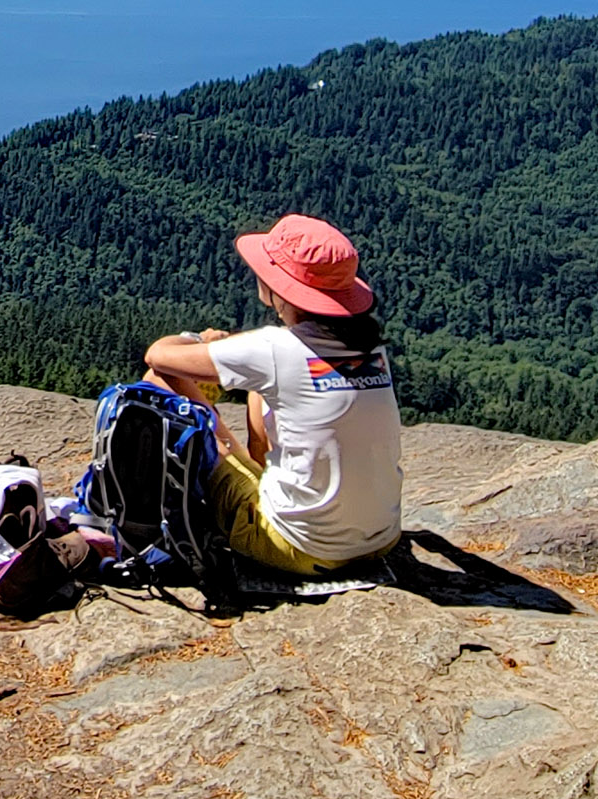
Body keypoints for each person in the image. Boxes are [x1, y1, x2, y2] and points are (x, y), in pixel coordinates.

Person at [139, 213, 401, 576]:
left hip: (295, 547)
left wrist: (201, 340)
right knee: (261, 389)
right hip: (381, 540)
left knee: (158, 380)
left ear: (279, 287)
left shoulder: (275, 348)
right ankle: (245, 461)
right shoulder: (372, 349)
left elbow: (158, 356)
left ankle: (229, 454)